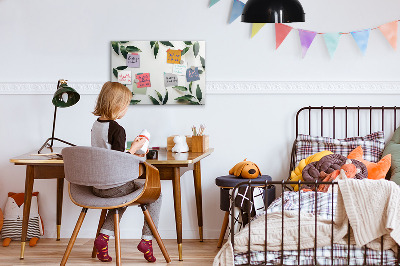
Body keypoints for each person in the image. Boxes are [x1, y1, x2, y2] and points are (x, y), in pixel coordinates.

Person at [91, 81, 161, 263]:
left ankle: (103, 238)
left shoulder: (96, 125)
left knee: (122, 197)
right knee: (156, 194)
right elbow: (118, 161)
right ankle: (147, 240)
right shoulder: (117, 129)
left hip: (97, 186)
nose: (127, 109)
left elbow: (108, 154)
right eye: (126, 105)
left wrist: (130, 149)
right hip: (114, 186)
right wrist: (135, 149)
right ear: (117, 105)